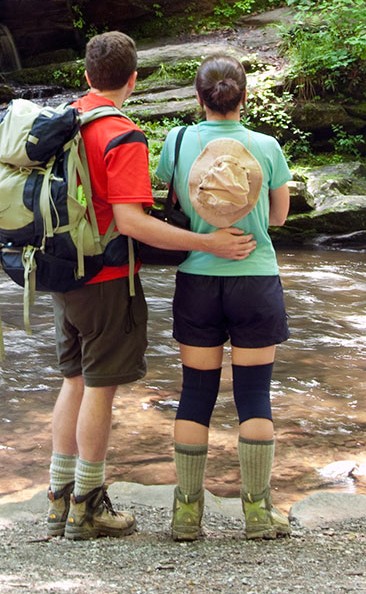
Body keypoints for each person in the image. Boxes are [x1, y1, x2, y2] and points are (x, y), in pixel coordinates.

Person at [48, 32, 256, 542]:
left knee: (73, 380)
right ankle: (87, 507)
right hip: (105, 279)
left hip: (61, 270)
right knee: (100, 387)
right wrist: (206, 243)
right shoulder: (121, 134)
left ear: (87, 76)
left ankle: (58, 500)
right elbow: (132, 223)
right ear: (134, 80)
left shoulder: (65, 119)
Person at [154, 53, 291, 542]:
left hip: (198, 280)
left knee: (196, 393)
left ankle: (187, 514)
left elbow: (174, 201)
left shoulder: (178, 141)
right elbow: (278, 218)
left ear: (199, 98)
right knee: (254, 395)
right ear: (244, 97)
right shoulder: (267, 146)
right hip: (255, 279)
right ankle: (257, 513)